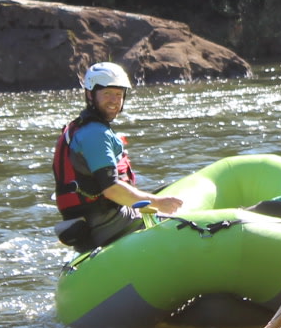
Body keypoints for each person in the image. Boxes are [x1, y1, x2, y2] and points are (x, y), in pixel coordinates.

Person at [52, 62, 183, 252]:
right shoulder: (96, 134)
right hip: (109, 223)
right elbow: (111, 189)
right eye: (107, 94)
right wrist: (159, 203)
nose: (114, 100)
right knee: (185, 223)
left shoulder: (79, 128)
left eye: (119, 94)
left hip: (91, 223)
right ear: (90, 94)